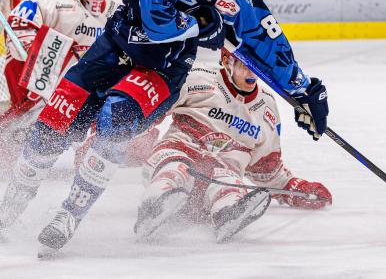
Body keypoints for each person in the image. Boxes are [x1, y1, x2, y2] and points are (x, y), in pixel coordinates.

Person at [0, 0, 330, 256]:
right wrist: (199, 23)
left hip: (162, 70)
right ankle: (11, 206)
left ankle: (69, 214)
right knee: (53, 121)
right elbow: (156, 21)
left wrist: (303, 90)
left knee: (116, 118)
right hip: (111, 53)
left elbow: (266, 39)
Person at [133, 49, 332, 243]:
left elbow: (266, 167)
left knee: (231, 183)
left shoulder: (267, 107)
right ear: (227, 60)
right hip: (174, 155)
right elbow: (149, 108)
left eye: (258, 66)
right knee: (175, 168)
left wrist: (293, 188)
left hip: (215, 182)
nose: (252, 72)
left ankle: (228, 214)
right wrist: (137, 136)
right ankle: (153, 207)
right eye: (245, 65)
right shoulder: (197, 77)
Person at [0, 0, 121, 168]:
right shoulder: (52, 0)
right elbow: (19, 21)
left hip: (84, 75)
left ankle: (90, 147)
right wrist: (30, 47)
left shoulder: (117, 7)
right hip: (40, 68)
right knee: (45, 104)